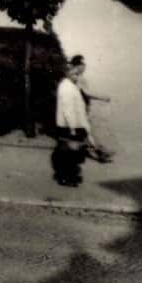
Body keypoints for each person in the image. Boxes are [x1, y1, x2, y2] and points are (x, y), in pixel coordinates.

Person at [52, 57, 92, 187]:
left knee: (68, 152)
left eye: (78, 74)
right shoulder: (67, 88)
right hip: (69, 126)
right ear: (68, 73)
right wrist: (73, 128)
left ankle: (67, 176)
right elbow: (68, 109)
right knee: (69, 153)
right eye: (75, 74)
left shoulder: (70, 85)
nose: (77, 77)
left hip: (70, 125)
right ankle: (66, 178)